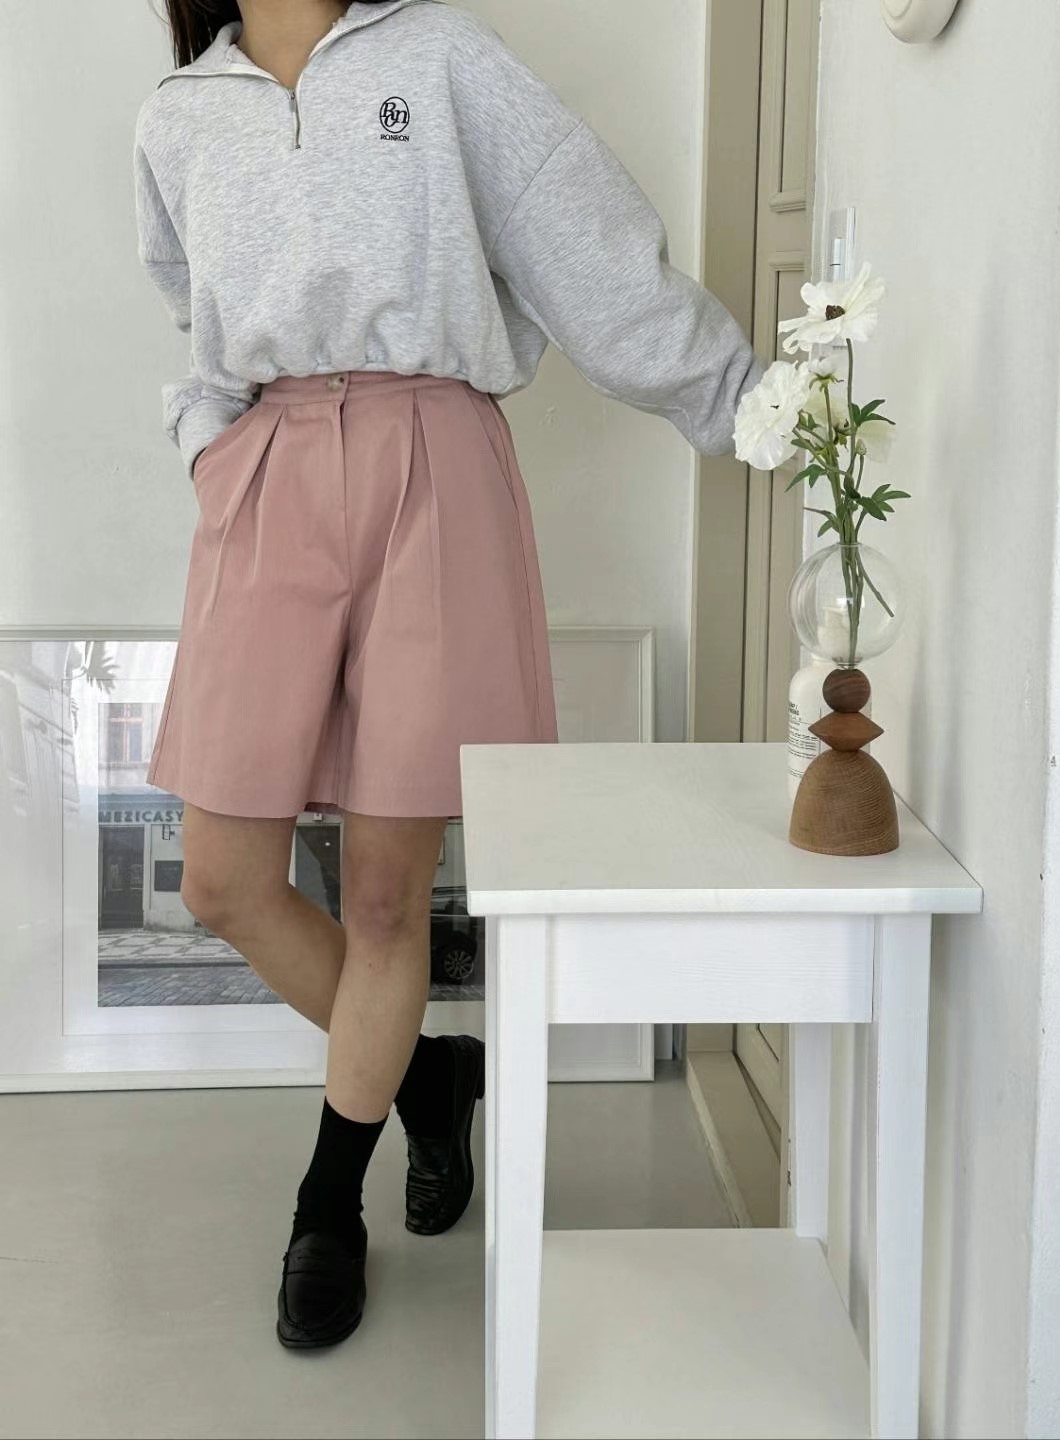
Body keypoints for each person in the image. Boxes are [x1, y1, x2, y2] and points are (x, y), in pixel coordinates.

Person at [133, 0, 763, 1351]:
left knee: (383, 893)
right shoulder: (179, 114)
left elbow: (579, 234)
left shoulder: (439, 57)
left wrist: (745, 400)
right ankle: (428, 1077)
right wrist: (211, 451)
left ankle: (325, 1209)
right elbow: (197, 316)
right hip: (268, 470)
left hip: (434, 457)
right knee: (223, 878)